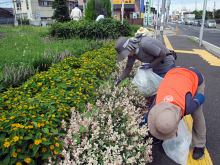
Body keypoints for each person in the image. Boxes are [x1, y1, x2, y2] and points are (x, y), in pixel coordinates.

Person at [140, 67, 206, 160]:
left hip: (193, 76)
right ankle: (158, 137)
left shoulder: (188, 107)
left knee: (197, 114)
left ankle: (200, 145)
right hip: (173, 73)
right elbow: (146, 119)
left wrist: (195, 100)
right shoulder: (154, 107)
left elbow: (201, 97)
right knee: (166, 120)